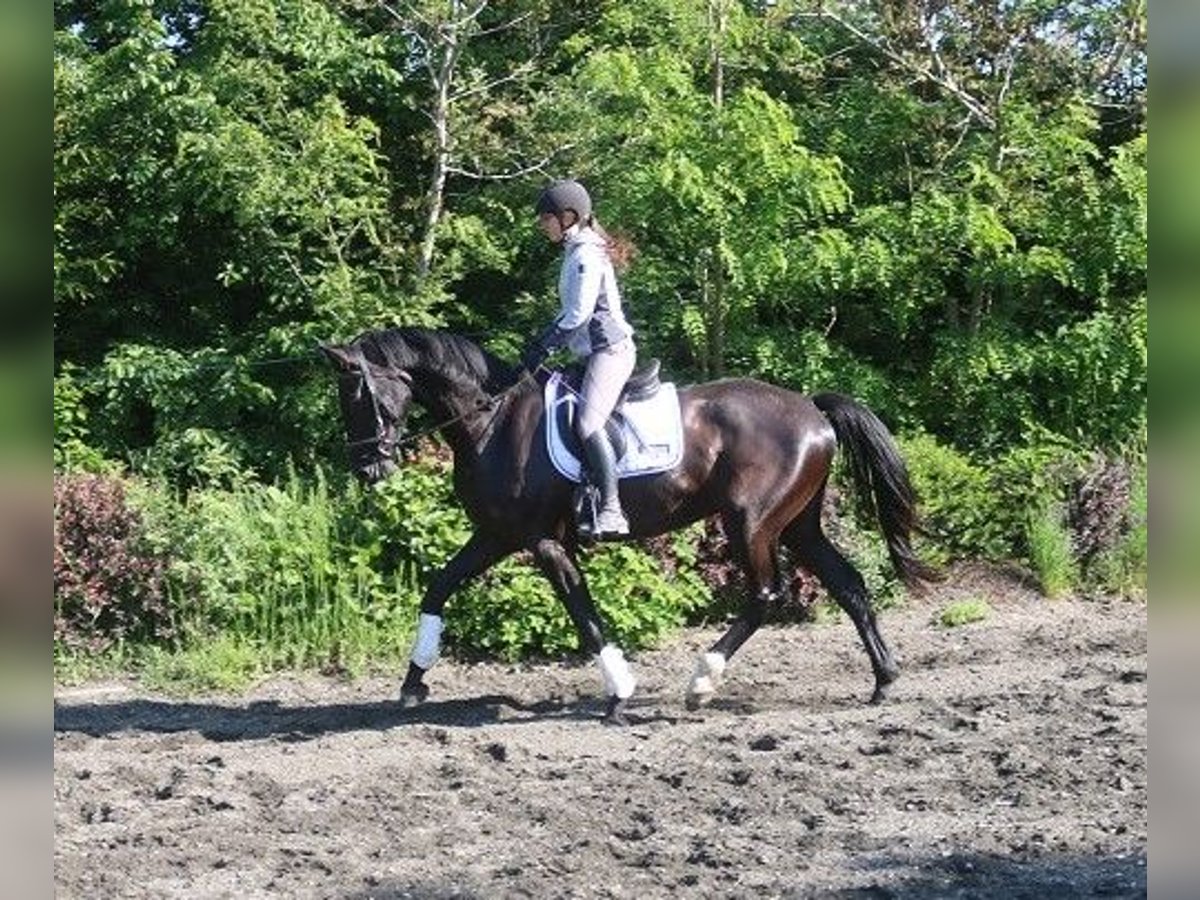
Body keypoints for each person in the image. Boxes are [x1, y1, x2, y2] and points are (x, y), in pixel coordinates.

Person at [522, 179, 636, 538]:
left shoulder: (586, 254)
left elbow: (578, 314)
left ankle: (613, 509)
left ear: (568, 217)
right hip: (589, 352)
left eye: (546, 218)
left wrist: (545, 344)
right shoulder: (576, 251)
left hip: (610, 352)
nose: (543, 225)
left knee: (588, 423)